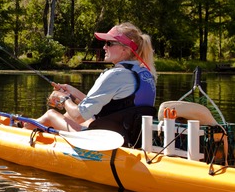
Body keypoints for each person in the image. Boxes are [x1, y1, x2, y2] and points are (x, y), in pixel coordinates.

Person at [28, 22, 157, 147]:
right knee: (68, 116)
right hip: (129, 137)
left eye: (109, 43)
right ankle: (22, 129)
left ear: (125, 48)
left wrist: (63, 99)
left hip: (107, 141)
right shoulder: (145, 74)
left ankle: (18, 133)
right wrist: (71, 91)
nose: (104, 47)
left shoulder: (116, 74)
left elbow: (79, 116)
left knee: (51, 115)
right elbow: (104, 107)